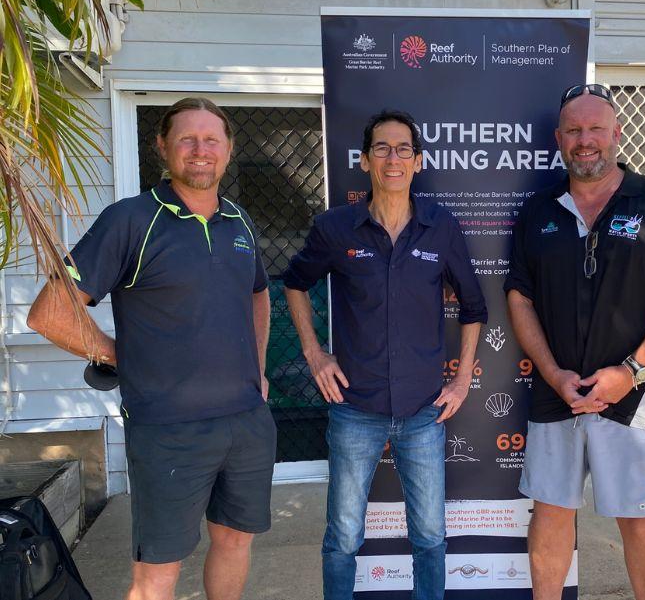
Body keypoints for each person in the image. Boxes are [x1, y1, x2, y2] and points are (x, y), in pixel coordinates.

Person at [27, 97, 276, 600]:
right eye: (187, 139)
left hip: (246, 421)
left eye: (212, 140)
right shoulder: (131, 220)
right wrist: (118, 354)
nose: (201, 150)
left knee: (235, 540)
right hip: (167, 430)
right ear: (162, 146)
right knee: (159, 571)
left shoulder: (238, 220)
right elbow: (50, 312)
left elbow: (258, 293)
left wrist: (259, 369)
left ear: (228, 150)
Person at [504, 84, 645, 600]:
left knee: (639, 520)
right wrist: (553, 374)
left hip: (632, 395)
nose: (585, 140)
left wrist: (632, 371)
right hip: (557, 392)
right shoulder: (538, 210)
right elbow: (519, 298)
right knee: (551, 512)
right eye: (574, 130)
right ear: (558, 139)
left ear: (617, 133)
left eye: (596, 128)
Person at [282, 110, 487, 600]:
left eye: (403, 150)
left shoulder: (441, 227)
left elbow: (474, 307)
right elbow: (294, 283)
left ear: (418, 162)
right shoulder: (336, 228)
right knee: (343, 538)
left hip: (423, 410)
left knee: (430, 537)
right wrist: (314, 353)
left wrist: (461, 380)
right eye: (381, 148)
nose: (392, 159)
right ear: (364, 160)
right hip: (355, 408)